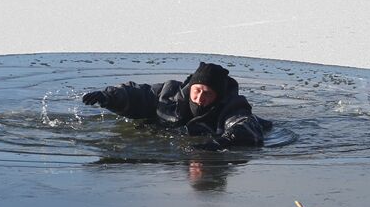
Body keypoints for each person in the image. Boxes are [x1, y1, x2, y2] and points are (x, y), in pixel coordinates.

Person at [80, 61, 267, 150]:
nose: (200, 97)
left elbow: (243, 125)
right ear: (191, 87)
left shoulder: (232, 107)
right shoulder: (169, 94)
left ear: (217, 96)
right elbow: (140, 94)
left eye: (208, 93)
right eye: (197, 90)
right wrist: (107, 97)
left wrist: (220, 143)